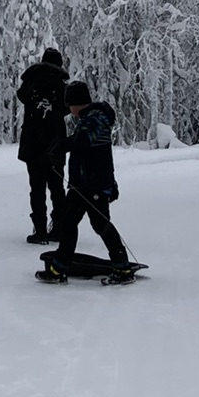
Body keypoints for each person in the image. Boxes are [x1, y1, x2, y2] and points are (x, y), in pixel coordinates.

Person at [41, 79, 128, 279]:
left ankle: (121, 265)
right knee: (68, 222)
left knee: (100, 223)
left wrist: (60, 147)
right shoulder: (89, 119)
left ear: (76, 103)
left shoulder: (96, 119)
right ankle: (59, 267)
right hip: (81, 185)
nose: (69, 109)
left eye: (69, 104)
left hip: (94, 185)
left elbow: (83, 142)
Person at [15, 46, 69, 243]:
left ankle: (39, 230)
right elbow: (67, 108)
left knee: (36, 188)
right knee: (57, 187)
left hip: (33, 142)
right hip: (55, 143)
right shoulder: (62, 85)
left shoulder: (31, 80)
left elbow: (21, 96)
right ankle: (59, 228)